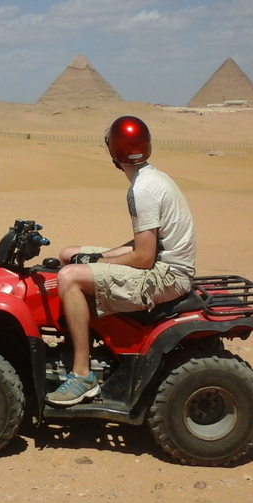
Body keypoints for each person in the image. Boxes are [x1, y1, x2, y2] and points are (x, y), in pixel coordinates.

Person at [45, 115, 196, 406]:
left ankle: (81, 374)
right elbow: (148, 241)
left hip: (167, 275)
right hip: (162, 262)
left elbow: (143, 257)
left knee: (68, 277)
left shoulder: (142, 190)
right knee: (67, 254)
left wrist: (94, 264)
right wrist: (98, 257)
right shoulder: (154, 177)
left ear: (114, 151)